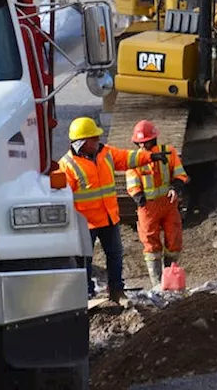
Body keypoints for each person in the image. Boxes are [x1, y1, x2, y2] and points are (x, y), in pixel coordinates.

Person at [57, 117, 164, 303]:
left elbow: (127, 158)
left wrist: (150, 156)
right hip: (86, 223)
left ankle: (116, 290)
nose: (98, 140)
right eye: (94, 138)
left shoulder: (105, 153)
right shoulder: (67, 165)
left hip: (108, 218)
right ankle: (86, 294)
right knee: (84, 260)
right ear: (82, 142)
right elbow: (62, 197)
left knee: (115, 255)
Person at [125, 120, 188, 288]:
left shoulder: (168, 152)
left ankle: (170, 276)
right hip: (148, 207)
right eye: (142, 142)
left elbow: (180, 173)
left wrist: (175, 187)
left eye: (147, 141)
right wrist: (139, 197)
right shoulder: (135, 160)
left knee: (173, 240)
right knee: (150, 243)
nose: (144, 144)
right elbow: (132, 181)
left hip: (168, 203)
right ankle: (156, 283)